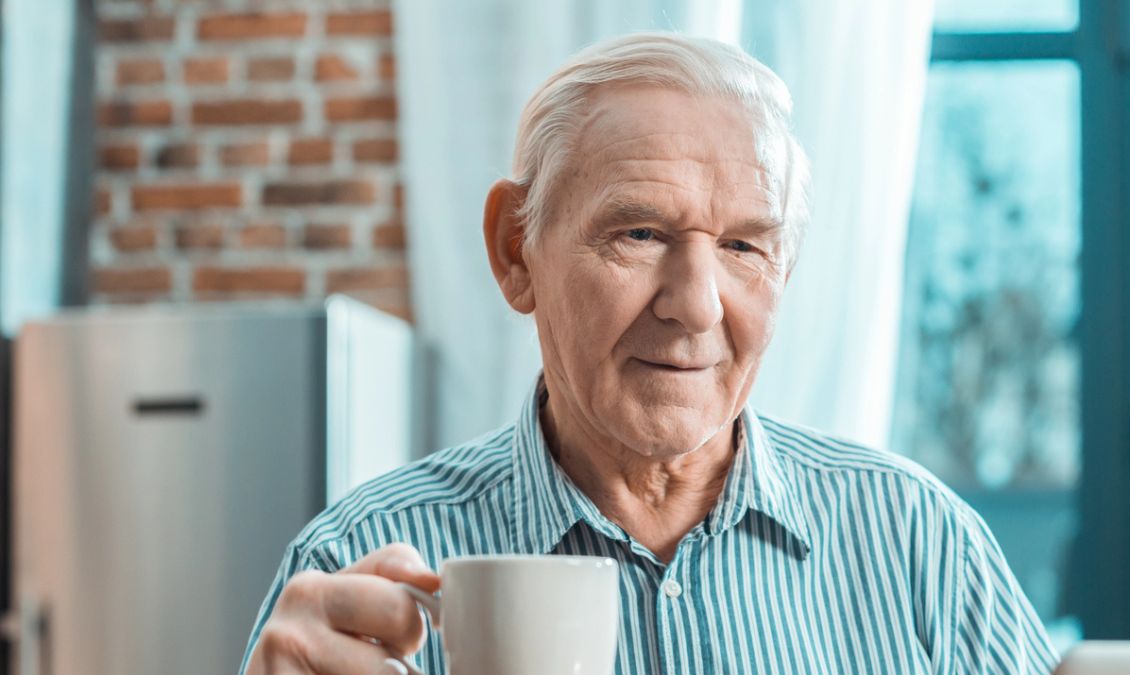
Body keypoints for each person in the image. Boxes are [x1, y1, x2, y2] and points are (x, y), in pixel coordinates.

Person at [241, 32, 1059, 675]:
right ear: (515, 251)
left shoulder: (920, 543)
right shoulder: (358, 566)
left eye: (744, 246)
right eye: (639, 233)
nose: (697, 303)